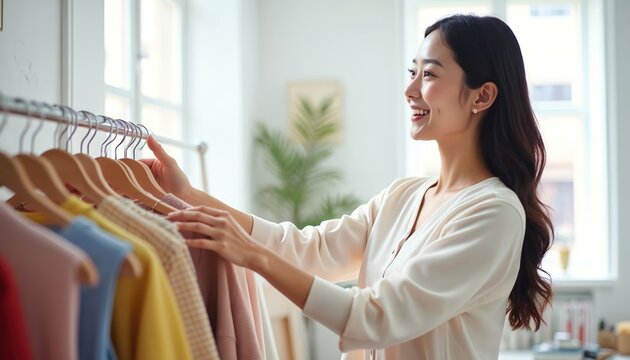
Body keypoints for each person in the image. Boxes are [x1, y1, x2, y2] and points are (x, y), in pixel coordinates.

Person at [142, 14, 553, 360]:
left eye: (428, 74)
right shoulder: (403, 196)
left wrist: (250, 255)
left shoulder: (494, 214)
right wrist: (192, 195)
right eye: (412, 72)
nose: (410, 90)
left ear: (482, 96)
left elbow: (376, 316)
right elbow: (310, 250)